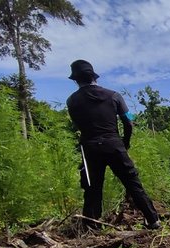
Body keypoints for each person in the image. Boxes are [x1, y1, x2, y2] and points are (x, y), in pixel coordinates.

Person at [66, 59, 161, 230]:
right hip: (114, 144)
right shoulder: (114, 96)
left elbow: (78, 125)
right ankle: (153, 220)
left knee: (92, 188)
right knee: (132, 182)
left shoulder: (72, 101)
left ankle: (92, 227)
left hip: (89, 147)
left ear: (75, 80)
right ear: (94, 77)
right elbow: (129, 122)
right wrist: (125, 143)